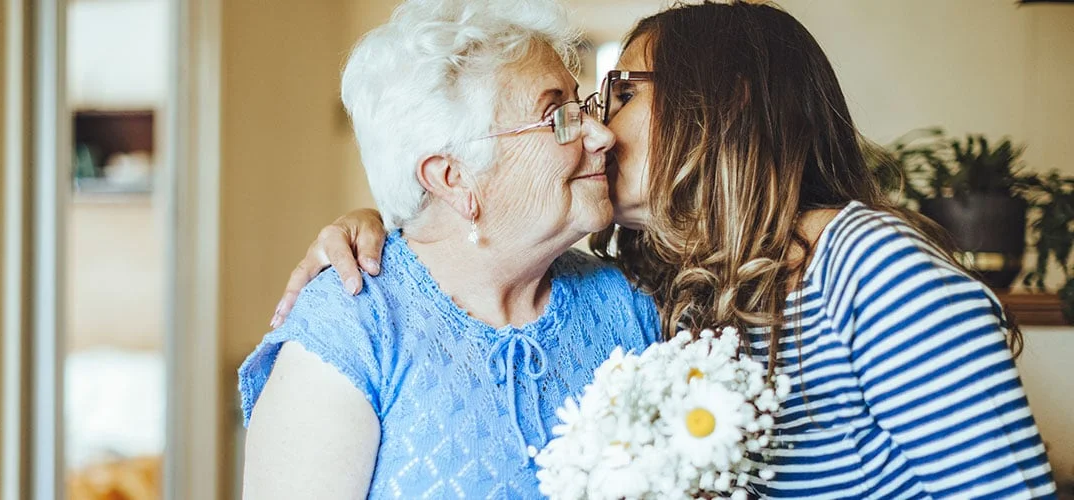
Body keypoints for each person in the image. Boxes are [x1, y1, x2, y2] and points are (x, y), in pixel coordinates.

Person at [273, 2, 1057, 498]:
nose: (598, 127)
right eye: (574, 109)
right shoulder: (667, 287)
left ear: (723, 103)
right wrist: (380, 227)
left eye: (619, 93)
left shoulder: (870, 270)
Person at [238, 0, 661, 497]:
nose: (601, 135)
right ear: (453, 178)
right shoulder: (352, 331)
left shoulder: (629, 304)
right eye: (557, 116)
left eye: (582, 106)